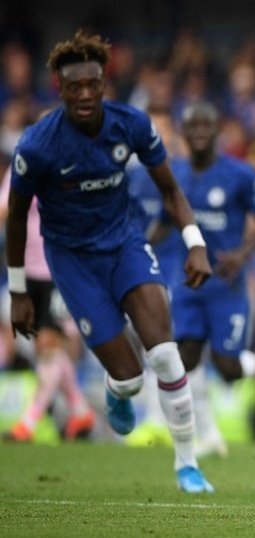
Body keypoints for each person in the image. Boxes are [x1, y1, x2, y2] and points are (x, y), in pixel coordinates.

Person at [6, 31, 214, 493]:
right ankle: (120, 387)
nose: (84, 94)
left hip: (124, 244)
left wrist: (195, 241)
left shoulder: (131, 125)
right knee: (131, 378)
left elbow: (169, 189)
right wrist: (18, 291)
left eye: (92, 84)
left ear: (104, 85)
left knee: (165, 352)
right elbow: (17, 219)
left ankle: (187, 465)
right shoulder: (38, 146)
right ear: (59, 89)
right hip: (73, 262)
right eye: (73, 86)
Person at [149, 101, 255, 456]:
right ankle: (210, 436)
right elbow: (166, 222)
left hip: (226, 285)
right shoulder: (174, 172)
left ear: (217, 132)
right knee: (186, 357)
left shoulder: (240, 174)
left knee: (227, 367)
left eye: (206, 125)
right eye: (192, 125)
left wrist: (242, 253)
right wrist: (137, 250)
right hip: (186, 282)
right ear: (183, 132)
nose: (199, 131)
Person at [1, 164, 96, 442]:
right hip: (25, 272)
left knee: (48, 345)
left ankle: (28, 423)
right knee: (44, 350)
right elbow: (5, 209)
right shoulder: (21, 168)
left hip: (59, 270)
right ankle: (80, 412)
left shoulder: (71, 171)